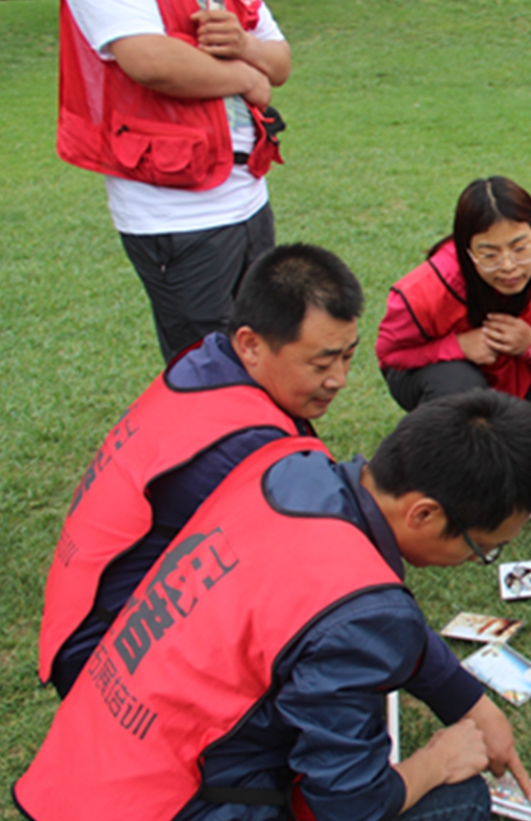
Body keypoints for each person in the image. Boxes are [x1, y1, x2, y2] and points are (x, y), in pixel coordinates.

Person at [16, 390, 531, 821]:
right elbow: (348, 808)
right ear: (423, 513)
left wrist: (469, 701)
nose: (483, 558)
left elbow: (358, 615)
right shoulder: (363, 614)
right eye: (485, 548)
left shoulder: (285, 471)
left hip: (90, 808)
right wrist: (437, 760)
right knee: (460, 806)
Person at [40, 244, 362, 700]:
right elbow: (325, 560)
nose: (340, 379)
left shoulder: (208, 360)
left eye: (348, 356)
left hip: (78, 622)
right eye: (322, 363)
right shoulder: (250, 448)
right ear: (251, 344)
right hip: (105, 664)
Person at [58, 0, 291, 363]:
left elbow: (280, 59)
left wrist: (244, 45)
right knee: (209, 369)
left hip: (249, 194)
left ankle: (273, 431)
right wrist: (247, 77)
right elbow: (151, 60)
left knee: (269, 352)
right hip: (176, 208)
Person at [377, 176, 531, 439]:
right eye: (489, 254)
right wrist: (457, 347)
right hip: (453, 378)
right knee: (461, 387)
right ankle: (452, 442)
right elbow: (390, 356)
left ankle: (502, 438)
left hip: (523, 376)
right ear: (467, 249)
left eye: (520, 247)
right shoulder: (426, 288)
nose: (508, 265)